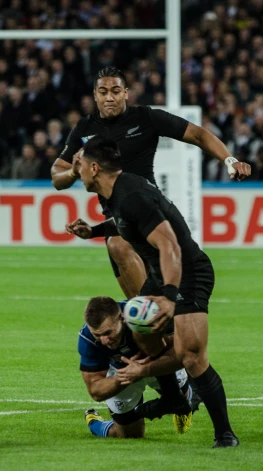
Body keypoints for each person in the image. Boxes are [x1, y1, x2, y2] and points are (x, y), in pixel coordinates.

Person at [66, 137, 239, 448]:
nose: (75, 170)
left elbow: (169, 245)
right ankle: (174, 398)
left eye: (78, 164)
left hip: (189, 274)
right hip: (162, 276)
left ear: (94, 167)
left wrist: (170, 296)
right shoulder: (118, 194)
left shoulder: (131, 195)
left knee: (192, 356)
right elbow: (123, 224)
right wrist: (92, 231)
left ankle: (225, 435)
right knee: (138, 326)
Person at [50, 67, 250, 299]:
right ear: (95, 95)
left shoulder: (145, 117)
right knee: (142, 313)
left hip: (147, 208)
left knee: (121, 249)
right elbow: (57, 176)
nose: (109, 98)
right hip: (118, 220)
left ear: (126, 93)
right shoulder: (85, 128)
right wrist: (74, 171)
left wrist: (230, 160)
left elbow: (198, 134)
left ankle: (157, 311)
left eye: (115, 91)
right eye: (103, 92)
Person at [79, 296, 199, 438]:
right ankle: (95, 423)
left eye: (108, 333)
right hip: (122, 373)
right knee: (130, 435)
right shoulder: (87, 339)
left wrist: (145, 369)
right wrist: (125, 376)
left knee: (182, 400)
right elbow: (95, 391)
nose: (104, 341)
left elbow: (185, 352)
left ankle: (186, 397)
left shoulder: (144, 314)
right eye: (97, 335)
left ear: (122, 318)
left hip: (157, 363)